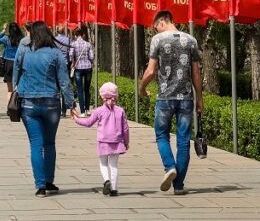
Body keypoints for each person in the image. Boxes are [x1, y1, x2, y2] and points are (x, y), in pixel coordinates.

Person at [139, 10, 203, 195]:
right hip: (185, 99)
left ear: (162, 22)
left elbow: (151, 71)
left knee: (161, 135)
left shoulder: (158, 41)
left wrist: (142, 88)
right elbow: (196, 73)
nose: (155, 32)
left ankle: (169, 167)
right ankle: (179, 186)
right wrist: (199, 98)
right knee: (183, 142)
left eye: (155, 27)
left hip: (165, 98)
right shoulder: (191, 40)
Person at [14, 21, 77, 197]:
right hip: (51, 103)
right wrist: (71, 104)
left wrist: (16, 89)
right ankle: (49, 181)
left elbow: (16, 71)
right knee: (49, 143)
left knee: (36, 143)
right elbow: (64, 82)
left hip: (29, 103)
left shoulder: (26, 52)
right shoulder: (56, 53)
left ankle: (40, 185)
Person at [74, 82, 130, 196]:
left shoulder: (99, 111)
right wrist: (126, 142)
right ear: (116, 95)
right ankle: (114, 189)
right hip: (117, 141)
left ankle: (106, 181)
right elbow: (125, 129)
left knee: (103, 163)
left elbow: (88, 122)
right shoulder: (120, 111)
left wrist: (76, 118)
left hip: (103, 141)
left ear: (102, 96)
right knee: (114, 166)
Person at [71, 27, 95, 115]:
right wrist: (91, 63)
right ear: (83, 35)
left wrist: (73, 63)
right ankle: (88, 109)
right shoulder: (88, 44)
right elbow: (92, 56)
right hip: (88, 67)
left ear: (75, 35)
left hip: (78, 68)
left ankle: (82, 111)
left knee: (80, 90)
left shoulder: (73, 44)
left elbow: (71, 55)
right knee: (87, 89)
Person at [0, 22, 24, 95]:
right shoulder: (22, 39)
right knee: (19, 84)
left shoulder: (6, 38)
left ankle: (10, 104)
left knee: (10, 90)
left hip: (8, 62)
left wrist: (3, 30)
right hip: (19, 61)